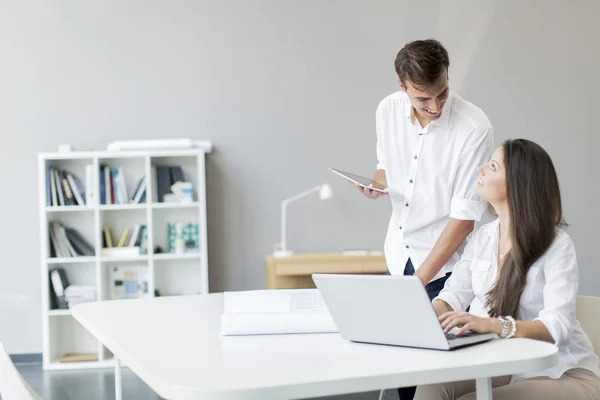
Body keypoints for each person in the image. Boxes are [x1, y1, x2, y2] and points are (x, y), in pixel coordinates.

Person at [359, 38, 494, 400]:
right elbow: (386, 168)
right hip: (397, 258)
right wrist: (376, 185)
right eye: (423, 99)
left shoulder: (473, 126)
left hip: (444, 271)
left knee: (436, 381)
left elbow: (465, 217)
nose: (435, 106)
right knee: (404, 374)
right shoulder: (386, 111)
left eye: (442, 93)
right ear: (402, 86)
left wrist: (419, 281)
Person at [415, 139, 600, 400]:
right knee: (432, 386)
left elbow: (557, 327)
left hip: (563, 371)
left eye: (491, 166)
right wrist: (416, 322)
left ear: (516, 184)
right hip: (510, 365)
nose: (480, 169)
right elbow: (452, 297)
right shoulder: (483, 238)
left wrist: (492, 326)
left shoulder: (557, 245)